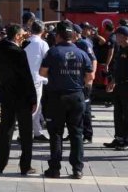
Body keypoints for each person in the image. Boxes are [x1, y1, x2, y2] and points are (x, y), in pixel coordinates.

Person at [40, 22, 94, 179]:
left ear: (58, 36)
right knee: (76, 133)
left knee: (56, 133)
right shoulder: (82, 53)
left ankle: (55, 168)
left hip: (57, 97)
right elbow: (90, 77)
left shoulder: (53, 52)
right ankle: (77, 169)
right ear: (72, 36)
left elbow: (43, 73)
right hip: (76, 96)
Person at [0, 24, 37, 175]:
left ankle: (0, 164)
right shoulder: (19, 53)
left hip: (7, 94)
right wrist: (33, 98)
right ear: (17, 36)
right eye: (22, 33)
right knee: (26, 132)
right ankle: (25, 165)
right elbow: (26, 77)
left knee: (5, 129)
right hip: (22, 96)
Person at [104, 26, 128, 151]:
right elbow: (119, 69)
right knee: (118, 114)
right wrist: (113, 81)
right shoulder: (120, 49)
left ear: (125, 36)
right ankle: (119, 138)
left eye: (118, 35)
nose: (116, 38)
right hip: (119, 86)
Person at [22, 20, 49, 142]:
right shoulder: (42, 44)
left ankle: (36, 131)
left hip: (24, 79)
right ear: (42, 31)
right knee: (35, 107)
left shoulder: (24, 42)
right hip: (36, 79)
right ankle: (25, 133)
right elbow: (47, 61)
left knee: (34, 107)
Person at [76, 23, 98, 143]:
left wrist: (91, 76)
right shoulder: (75, 43)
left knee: (85, 108)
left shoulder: (83, 43)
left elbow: (93, 59)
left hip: (85, 80)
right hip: (77, 80)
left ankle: (87, 135)